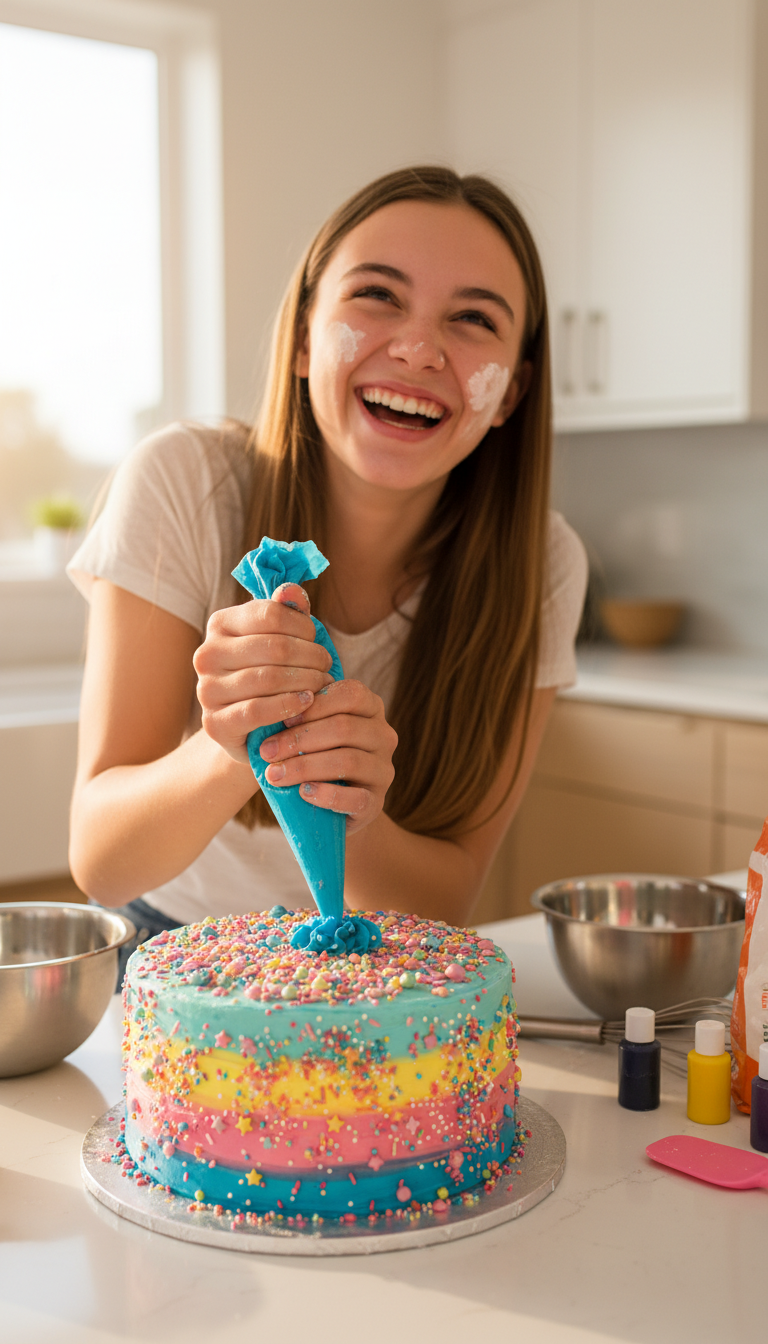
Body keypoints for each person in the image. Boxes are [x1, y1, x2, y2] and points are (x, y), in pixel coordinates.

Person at [67, 166, 587, 973]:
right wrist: (227, 746)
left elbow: (445, 901)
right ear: (306, 337)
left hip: (382, 974)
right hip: (168, 958)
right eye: (378, 295)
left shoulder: (544, 565)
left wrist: (360, 813)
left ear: (511, 392)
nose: (418, 348)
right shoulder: (182, 481)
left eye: (473, 318)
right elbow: (102, 860)